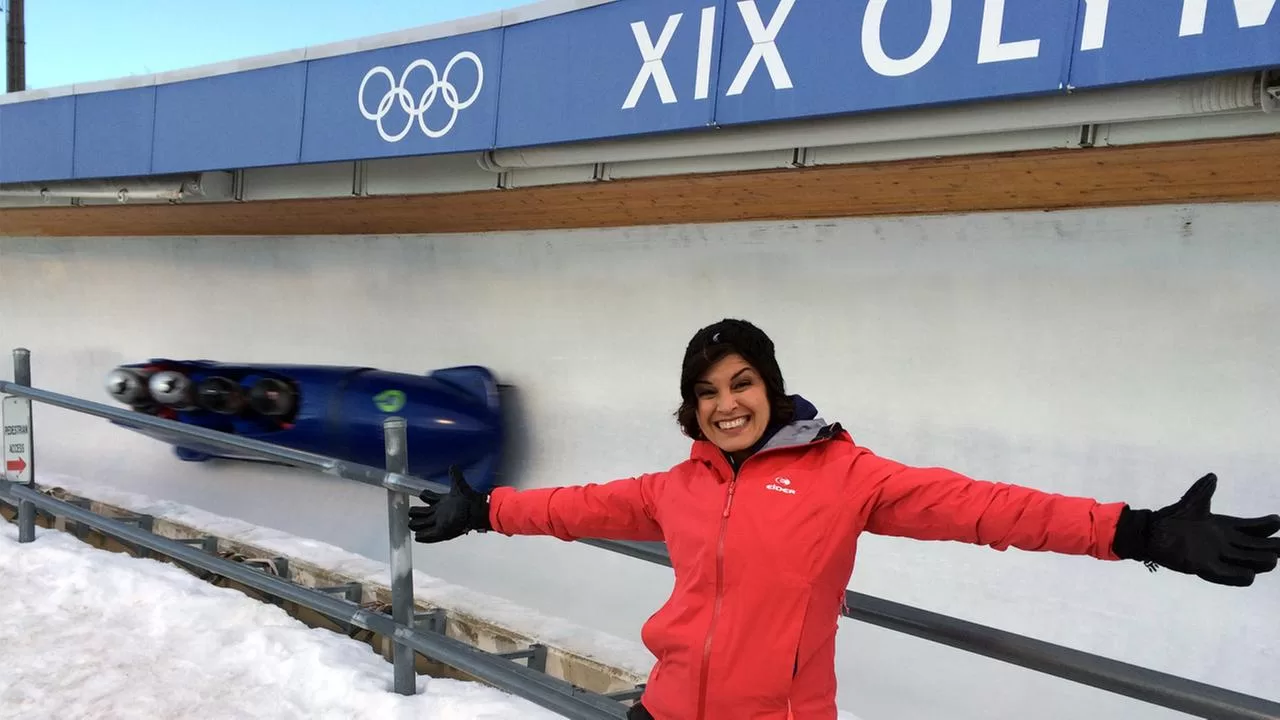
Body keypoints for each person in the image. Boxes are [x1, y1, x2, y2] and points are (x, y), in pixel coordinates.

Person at [407, 318, 1280, 720]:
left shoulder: (844, 475)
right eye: (707, 392)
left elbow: (983, 508)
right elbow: (580, 506)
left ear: (772, 388)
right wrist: (485, 508)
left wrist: (1136, 531)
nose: (727, 403)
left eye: (742, 383)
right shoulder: (681, 485)